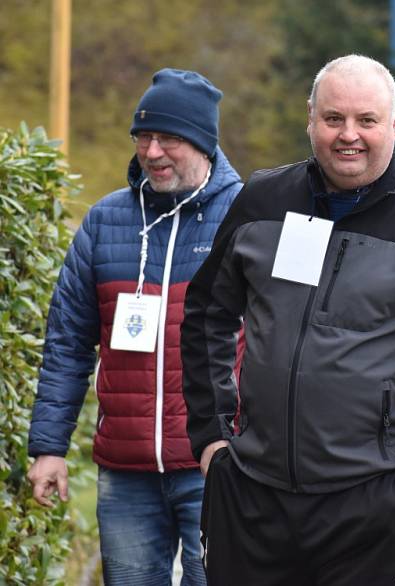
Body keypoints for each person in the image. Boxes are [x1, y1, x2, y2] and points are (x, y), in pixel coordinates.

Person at [181, 54, 395, 586]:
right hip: (251, 492)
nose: (348, 135)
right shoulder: (262, 201)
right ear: (310, 119)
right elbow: (206, 314)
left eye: (366, 121)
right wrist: (212, 437)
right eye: (333, 119)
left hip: (370, 505)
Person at [27, 68, 243, 585]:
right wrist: (50, 447)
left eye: (168, 137)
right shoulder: (104, 223)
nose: (152, 151)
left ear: (203, 143)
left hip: (217, 465)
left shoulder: (246, 218)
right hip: (124, 471)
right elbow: (67, 344)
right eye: (143, 137)